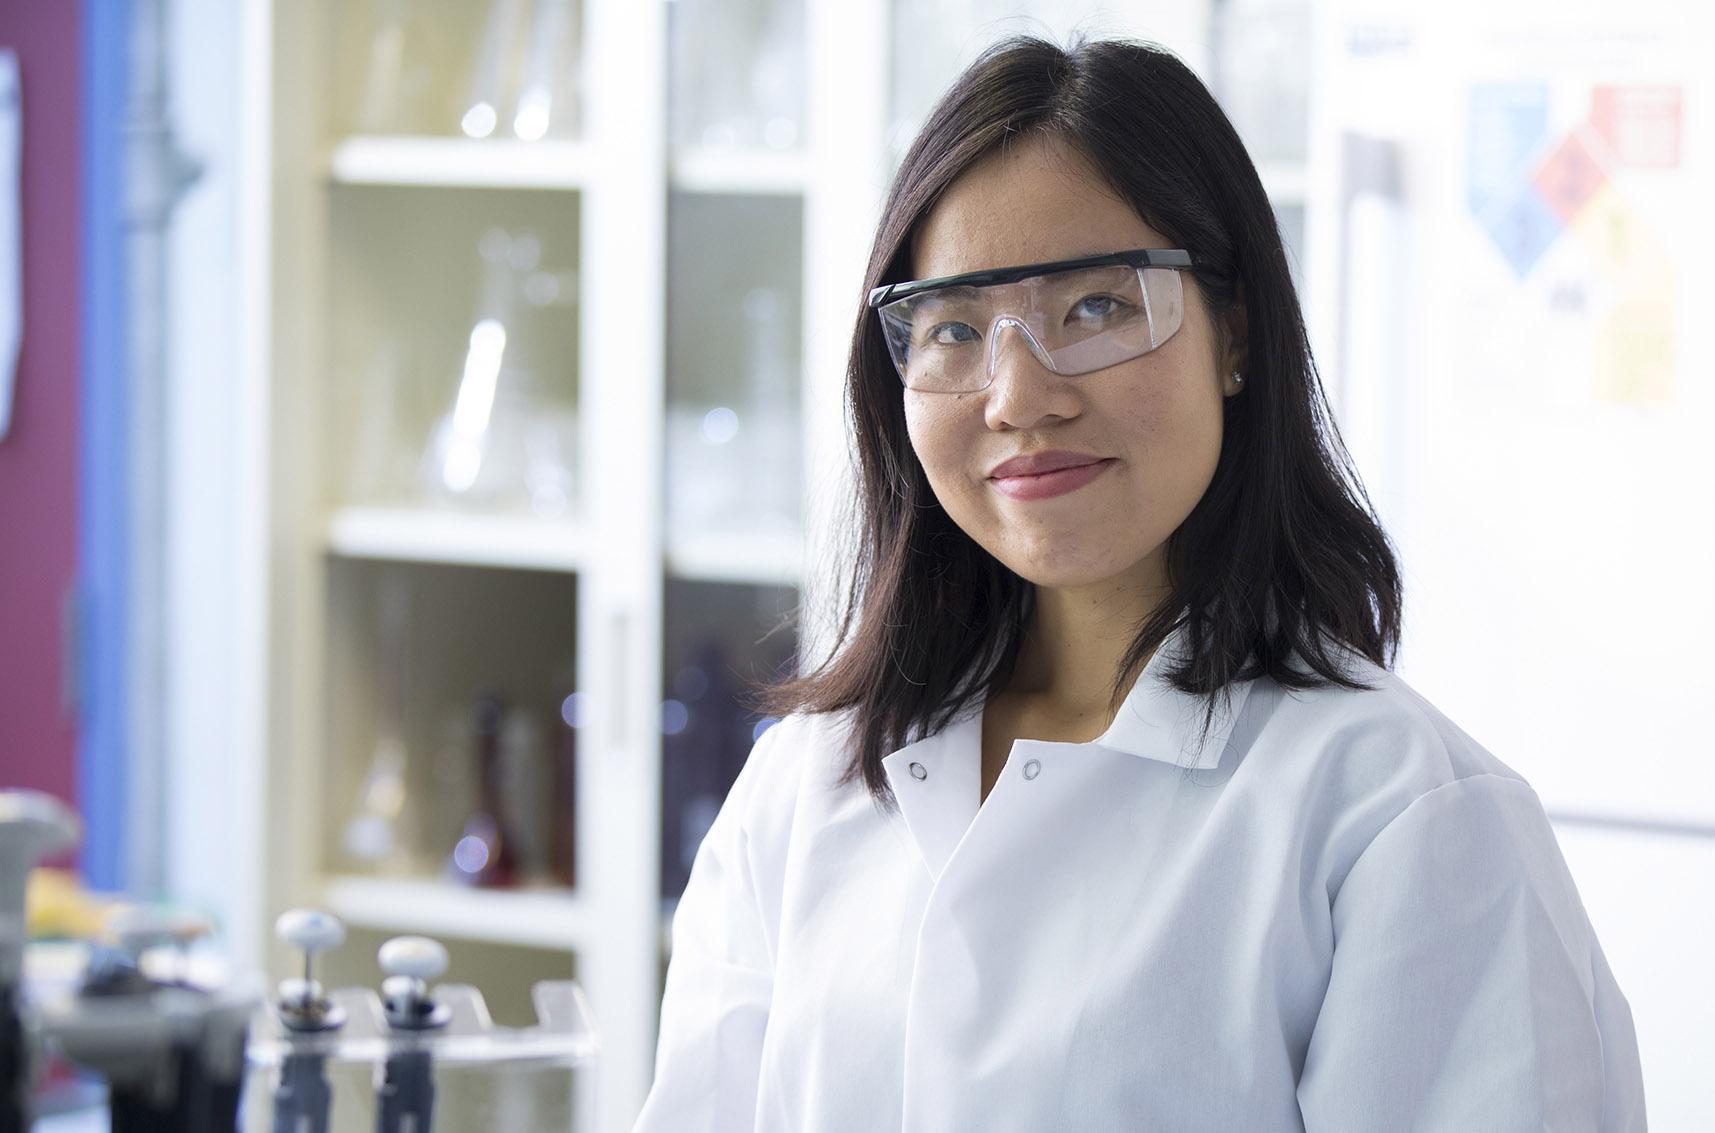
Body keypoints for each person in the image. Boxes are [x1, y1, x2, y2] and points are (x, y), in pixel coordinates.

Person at [634, 34, 1645, 1132]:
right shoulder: (809, 781)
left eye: (1098, 308)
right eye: (956, 329)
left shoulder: (1406, 817)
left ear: (1235, 336)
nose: (1018, 395)